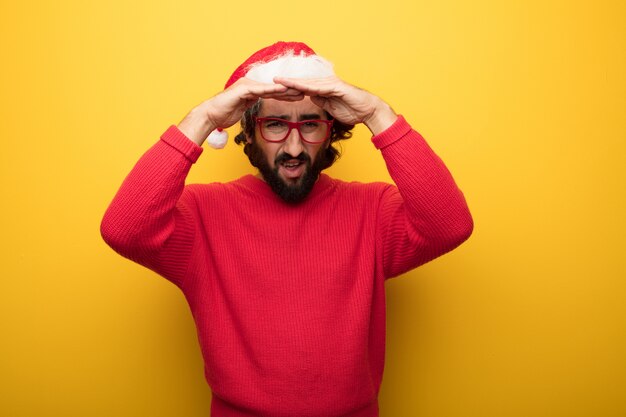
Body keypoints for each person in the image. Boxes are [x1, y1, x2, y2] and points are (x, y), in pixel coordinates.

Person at [101, 41, 473, 417]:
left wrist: (377, 113)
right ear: (248, 132)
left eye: (310, 124)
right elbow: (124, 229)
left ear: (330, 131)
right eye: (275, 125)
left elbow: (449, 226)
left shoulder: (373, 211)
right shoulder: (202, 215)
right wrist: (204, 118)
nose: (294, 147)